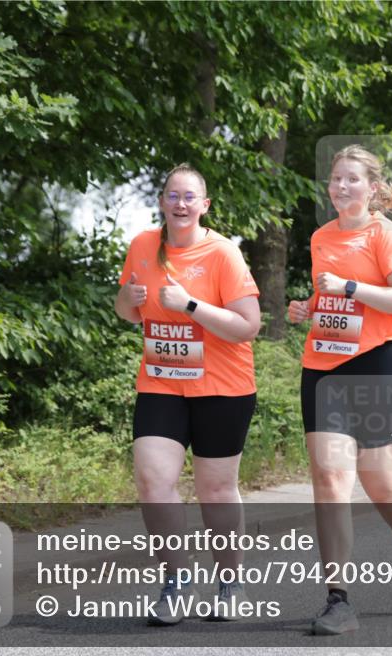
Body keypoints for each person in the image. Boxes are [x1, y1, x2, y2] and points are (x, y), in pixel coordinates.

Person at [288, 144, 392, 635]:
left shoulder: (388, 236)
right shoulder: (320, 236)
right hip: (325, 369)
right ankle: (338, 601)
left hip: (381, 367)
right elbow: (328, 296)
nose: (341, 187)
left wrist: (349, 288)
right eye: (335, 179)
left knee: (380, 484)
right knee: (331, 483)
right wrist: (308, 309)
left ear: (372, 189)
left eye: (352, 179)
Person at [115, 163, 261, 625]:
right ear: (162, 202)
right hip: (161, 382)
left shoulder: (223, 254)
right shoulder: (142, 246)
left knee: (215, 491)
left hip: (222, 386)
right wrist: (130, 300)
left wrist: (192, 306)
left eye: (189, 197)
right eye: (172, 196)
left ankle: (231, 583)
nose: (180, 204)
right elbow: (127, 311)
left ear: (204, 206)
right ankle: (177, 583)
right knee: (153, 481)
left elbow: (248, 326)